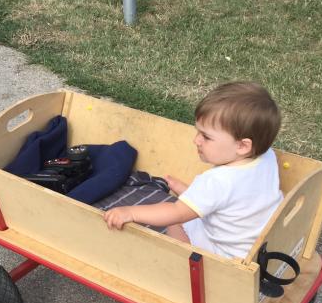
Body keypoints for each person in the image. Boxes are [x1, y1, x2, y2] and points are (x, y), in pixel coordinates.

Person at [104, 81, 284, 259]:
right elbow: (236, 197)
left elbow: (175, 213)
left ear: (243, 146)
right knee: (190, 210)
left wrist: (130, 212)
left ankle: (183, 263)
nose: (196, 140)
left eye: (206, 136)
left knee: (175, 222)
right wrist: (191, 193)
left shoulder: (217, 181)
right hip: (260, 244)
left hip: (226, 257)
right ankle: (191, 198)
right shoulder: (266, 156)